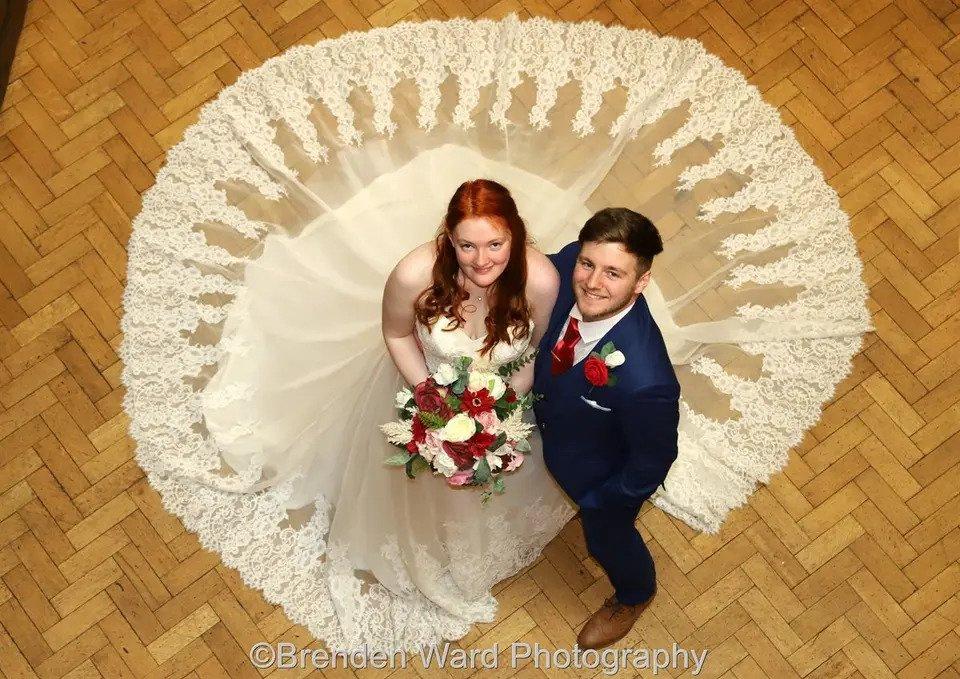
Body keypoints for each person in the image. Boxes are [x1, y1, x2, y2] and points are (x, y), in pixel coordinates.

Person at [533, 207, 680, 650]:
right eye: (588, 264)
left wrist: (601, 503)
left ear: (641, 282)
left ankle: (636, 593)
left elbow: (651, 462)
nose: (593, 283)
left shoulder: (647, 381)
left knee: (607, 539)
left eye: (614, 273)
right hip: (556, 418)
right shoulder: (569, 264)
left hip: (600, 477)